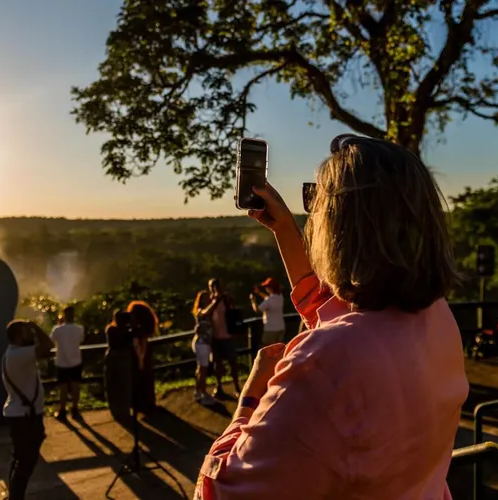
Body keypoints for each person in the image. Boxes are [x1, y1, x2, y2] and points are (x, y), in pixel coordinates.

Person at [195, 134, 469, 499]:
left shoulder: (324, 362)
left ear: (341, 225)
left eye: (315, 200)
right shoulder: (437, 318)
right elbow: (338, 315)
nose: (312, 213)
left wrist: (249, 400)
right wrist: (286, 232)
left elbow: (222, 493)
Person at [2, 320, 53, 500]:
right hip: (24, 418)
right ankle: (16, 497)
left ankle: (14, 496)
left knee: (22, 459)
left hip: (23, 415)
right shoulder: (19, 354)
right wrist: (36, 326)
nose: (31, 335)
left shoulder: (17, 353)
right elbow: (48, 344)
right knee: (26, 462)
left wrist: (31, 329)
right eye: (27, 332)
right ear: (17, 337)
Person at [205, 279, 240, 400]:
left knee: (232, 363)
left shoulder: (226, 299)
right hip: (216, 337)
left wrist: (221, 297)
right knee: (217, 363)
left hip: (228, 335)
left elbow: (233, 306)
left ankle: (236, 387)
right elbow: (205, 313)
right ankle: (219, 386)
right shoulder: (210, 300)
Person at [50, 306, 84, 421]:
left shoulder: (57, 329)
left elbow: (51, 340)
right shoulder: (79, 329)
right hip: (76, 360)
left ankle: (62, 410)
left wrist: (59, 324)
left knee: (63, 387)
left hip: (61, 362)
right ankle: (75, 409)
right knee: (76, 386)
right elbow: (81, 339)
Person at [127, 300, 158, 415]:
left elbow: (139, 345)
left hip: (139, 356)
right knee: (147, 378)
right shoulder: (144, 329)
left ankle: (141, 405)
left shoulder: (136, 330)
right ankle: (148, 403)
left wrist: (140, 360)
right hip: (145, 355)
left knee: (139, 379)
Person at [103, 310, 134, 422]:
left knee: (114, 384)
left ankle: (117, 410)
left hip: (113, 357)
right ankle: (123, 410)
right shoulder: (124, 331)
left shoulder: (111, 330)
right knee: (123, 384)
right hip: (122, 357)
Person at [191, 291, 217, 405]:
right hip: (202, 343)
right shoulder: (201, 311)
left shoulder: (206, 313)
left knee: (200, 369)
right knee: (203, 369)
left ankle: (198, 391)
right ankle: (203, 393)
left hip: (203, 343)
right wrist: (215, 302)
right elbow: (205, 312)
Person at [249, 277, 286, 347]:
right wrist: (259, 293)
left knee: (266, 347)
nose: (265, 288)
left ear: (270, 288)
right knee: (279, 349)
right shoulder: (280, 297)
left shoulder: (269, 300)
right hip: (281, 327)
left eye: (266, 287)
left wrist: (252, 300)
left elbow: (257, 310)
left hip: (271, 328)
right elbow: (267, 298)